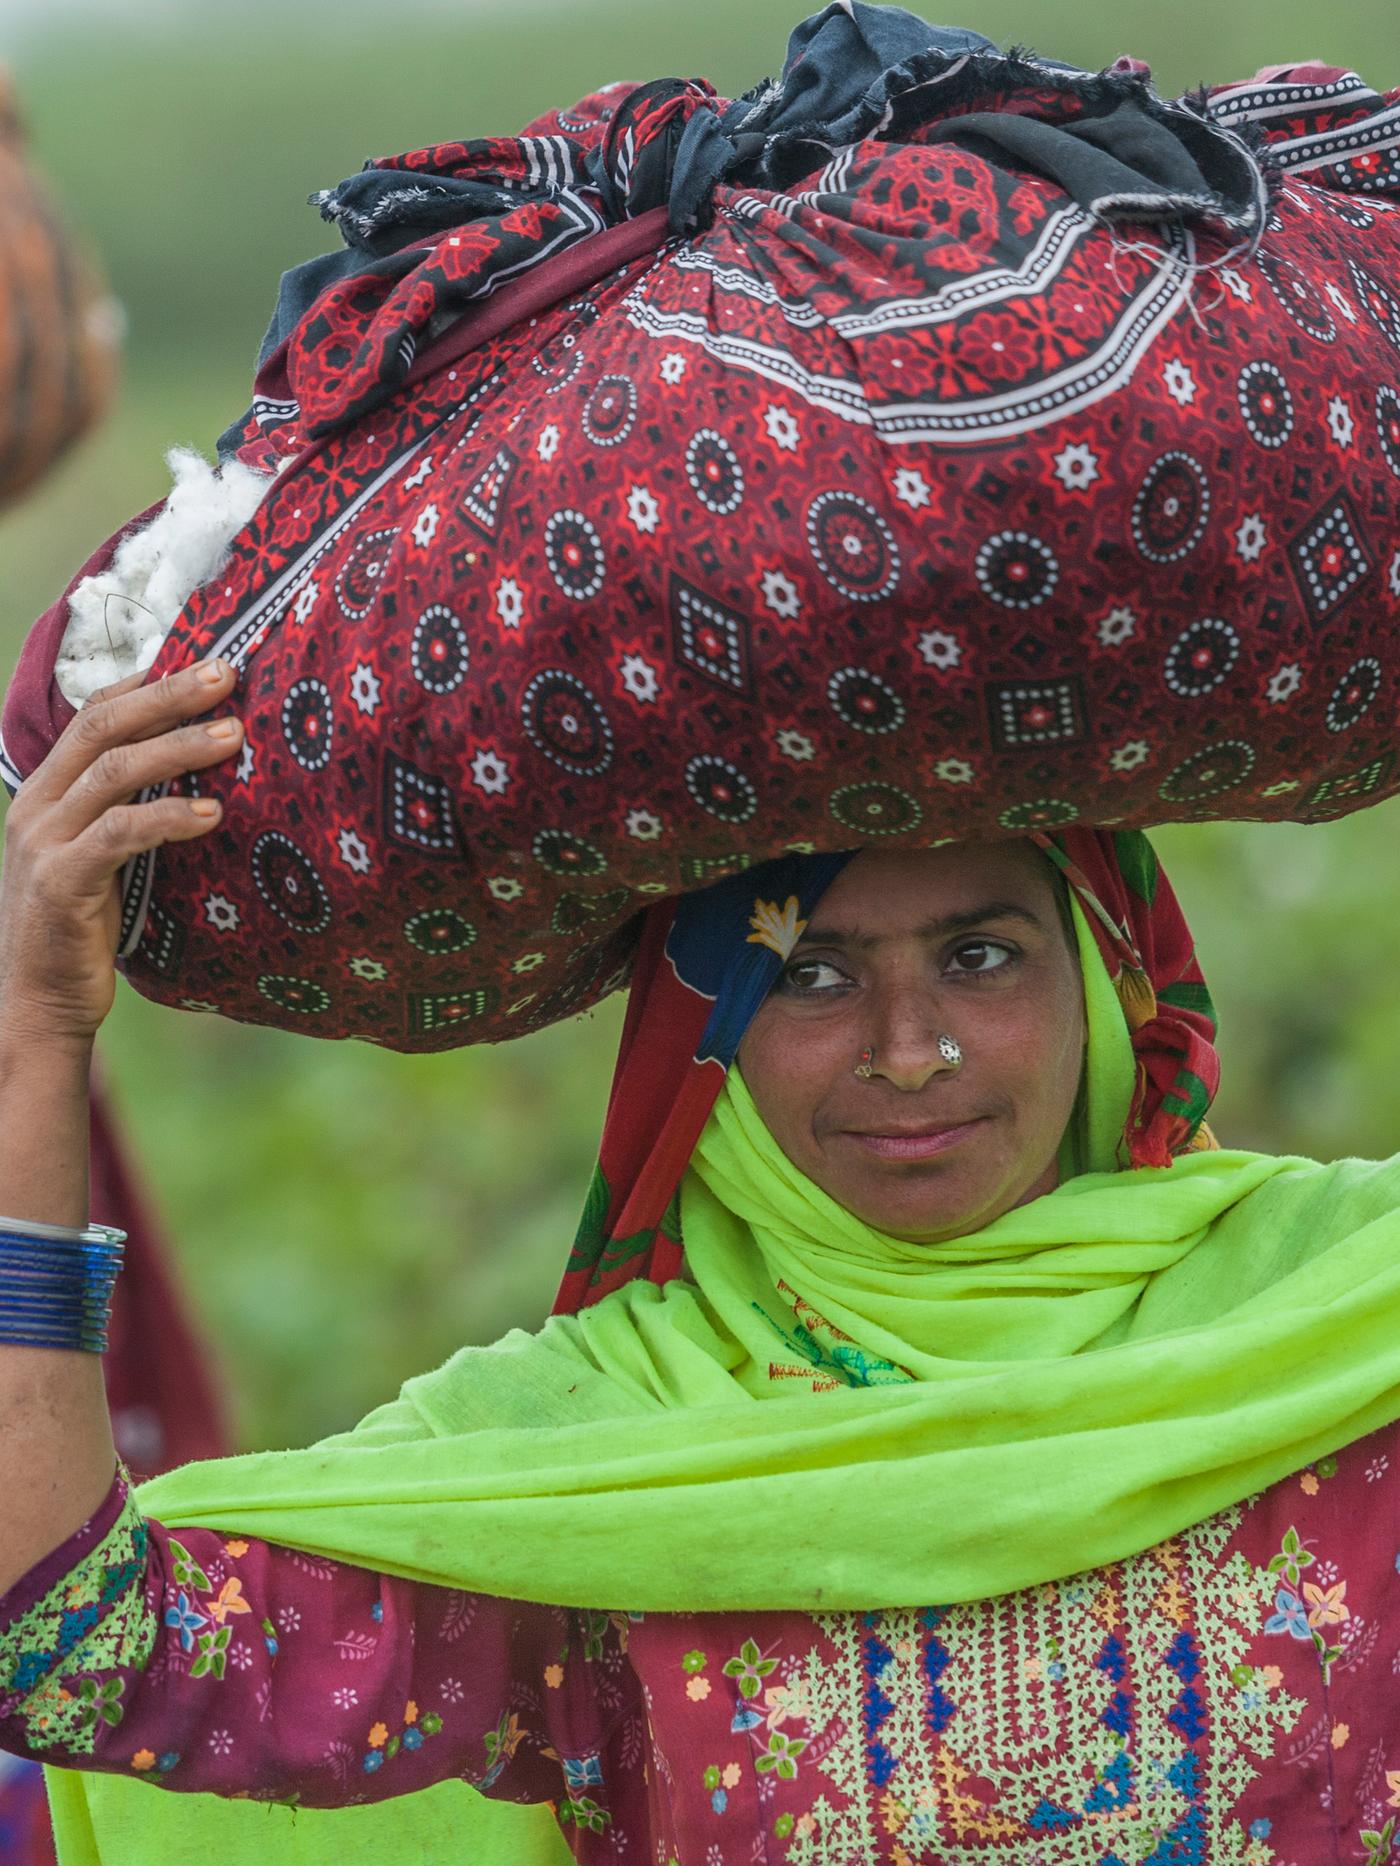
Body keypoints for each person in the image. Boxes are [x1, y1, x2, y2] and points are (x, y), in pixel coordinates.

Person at [1, 660, 1399, 1865]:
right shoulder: (588, 1462)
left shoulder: (1335, 1324)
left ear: (1110, 983)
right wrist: (40, 1037)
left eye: (981, 954)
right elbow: (79, 1648)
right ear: (706, 1032)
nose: (911, 1052)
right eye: (812, 975)